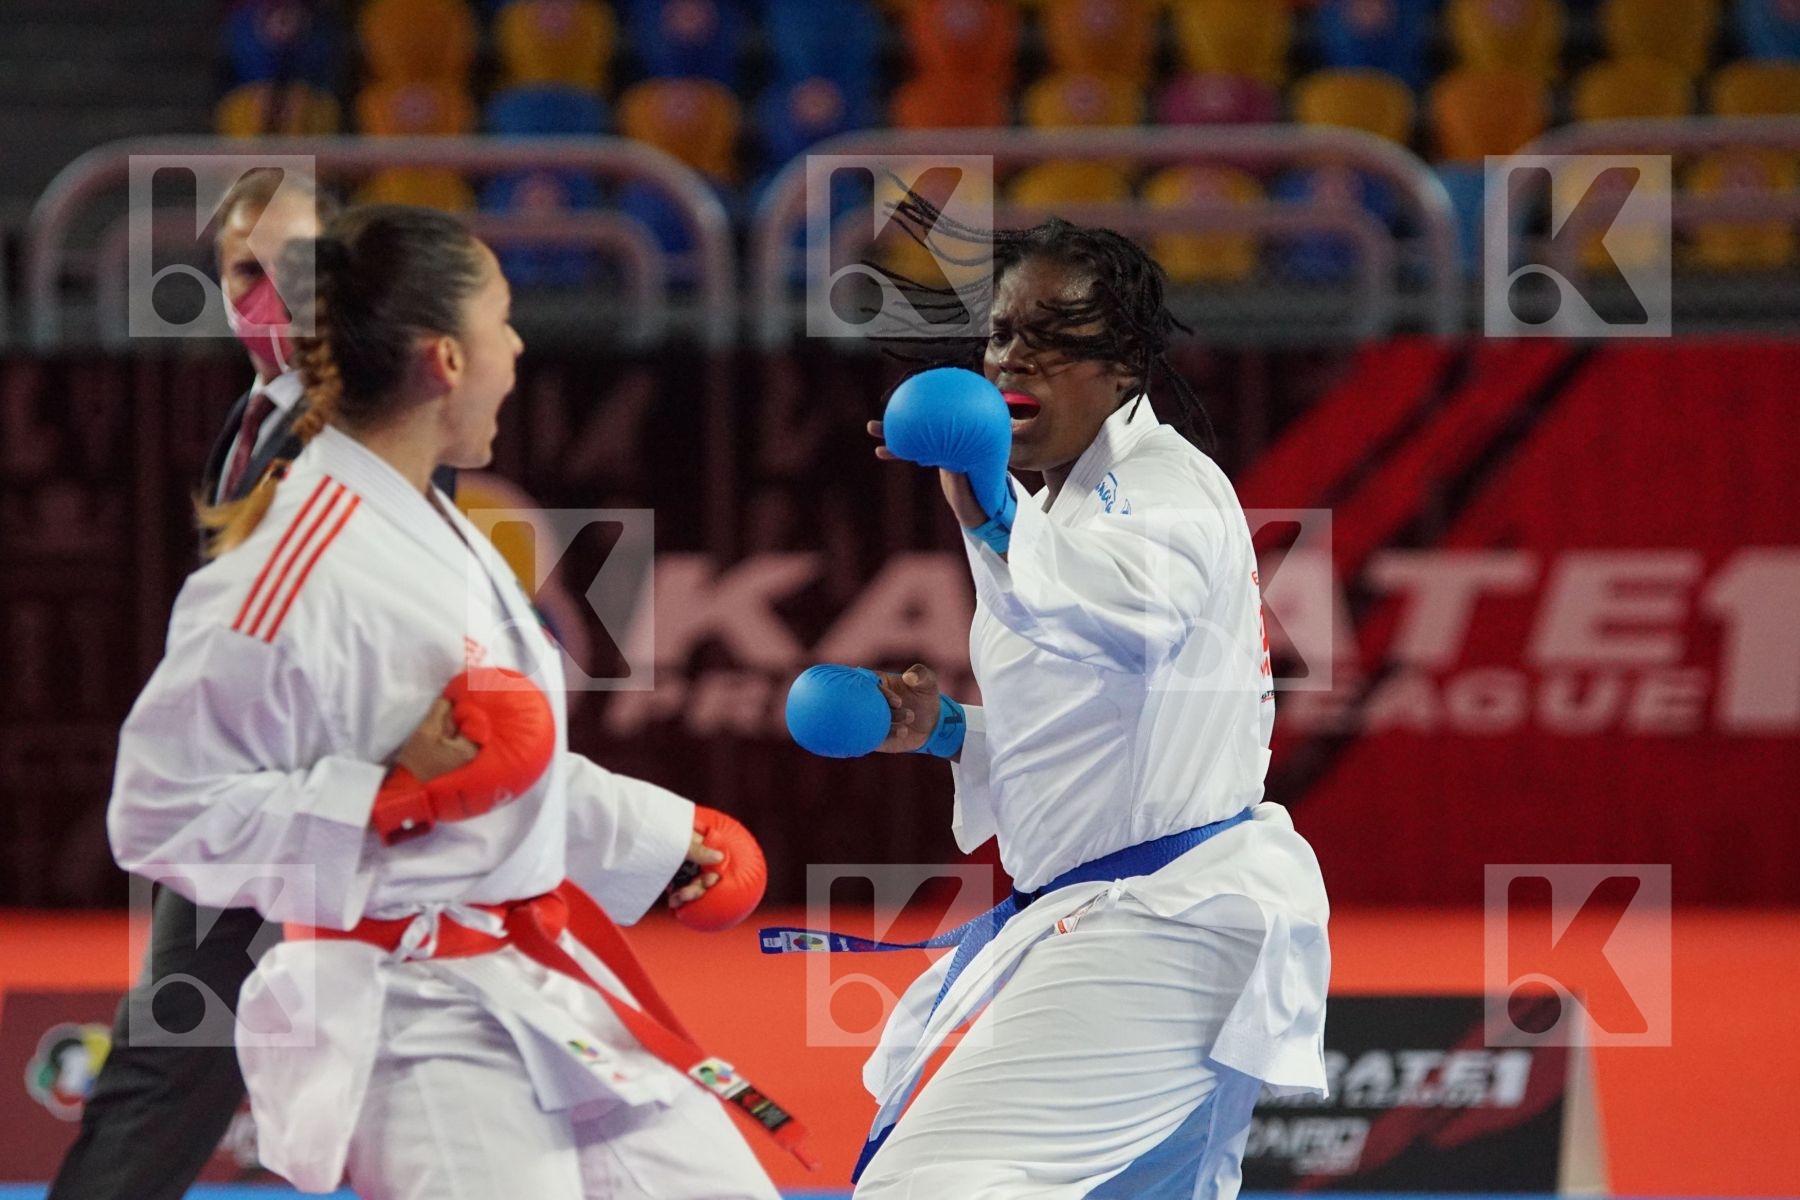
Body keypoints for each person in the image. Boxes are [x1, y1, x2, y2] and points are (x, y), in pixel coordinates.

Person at [105, 204, 795, 1199]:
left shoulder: (433, 520)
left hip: (535, 984)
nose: (518, 348)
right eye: (502, 322)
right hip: (412, 1021)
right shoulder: (291, 565)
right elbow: (156, 811)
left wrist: (657, 833)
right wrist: (381, 800)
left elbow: (492, 761)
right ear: (446, 362)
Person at [793, 208, 1332, 1197]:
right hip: (1150, 917)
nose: (1015, 358)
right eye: (1002, 333)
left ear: (1124, 365)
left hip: (1161, 926)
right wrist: (949, 730)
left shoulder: (1160, 491)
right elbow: (1105, 724)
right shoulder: (1063, 508)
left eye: (1051, 336)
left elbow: (1126, 618)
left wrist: (989, 507)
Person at [50, 167, 342, 1200]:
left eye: (295, 266)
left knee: (178, 1051)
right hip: (253, 795)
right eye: (243, 270)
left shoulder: (369, 426)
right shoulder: (251, 413)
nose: (266, 294)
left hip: (311, 796)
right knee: (180, 1046)